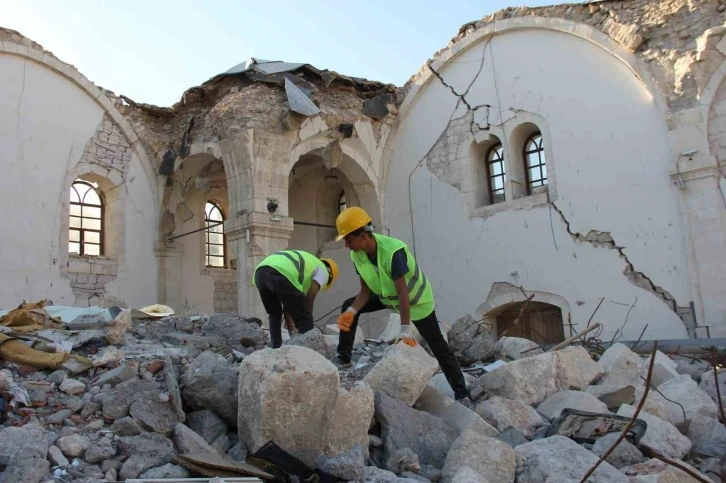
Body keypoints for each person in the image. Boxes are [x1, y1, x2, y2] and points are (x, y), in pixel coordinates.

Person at [334, 207, 471, 403]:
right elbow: (365, 291)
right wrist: (352, 312)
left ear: (363, 236)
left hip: (416, 301)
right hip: (387, 297)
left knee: (438, 346)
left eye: (348, 239)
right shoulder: (357, 255)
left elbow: (402, 293)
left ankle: (462, 393)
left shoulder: (393, 251)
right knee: (349, 306)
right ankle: (344, 359)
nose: (346, 244)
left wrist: (405, 328)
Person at [254, 250, 339, 348]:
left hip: (260, 274)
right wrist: (307, 320)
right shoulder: (324, 270)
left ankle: (276, 346)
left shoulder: (307, 267)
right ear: (330, 275)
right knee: (305, 318)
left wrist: (291, 332)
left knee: (274, 313)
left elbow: (289, 306)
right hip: (281, 272)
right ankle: (310, 351)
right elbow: (310, 298)